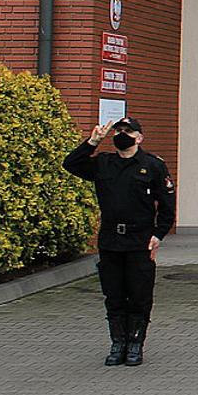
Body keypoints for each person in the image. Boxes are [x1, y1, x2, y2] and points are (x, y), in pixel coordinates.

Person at [64, 117, 174, 367]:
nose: (122, 134)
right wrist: (93, 141)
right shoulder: (104, 163)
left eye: (128, 131)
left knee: (138, 295)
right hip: (111, 240)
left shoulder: (152, 166)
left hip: (140, 241)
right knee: (113, 295)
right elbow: (70, 164)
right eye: (119, 131)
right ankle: (118, 343)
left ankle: (135, 343)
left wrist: (158, 235)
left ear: (139, 138)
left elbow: (167, 206)